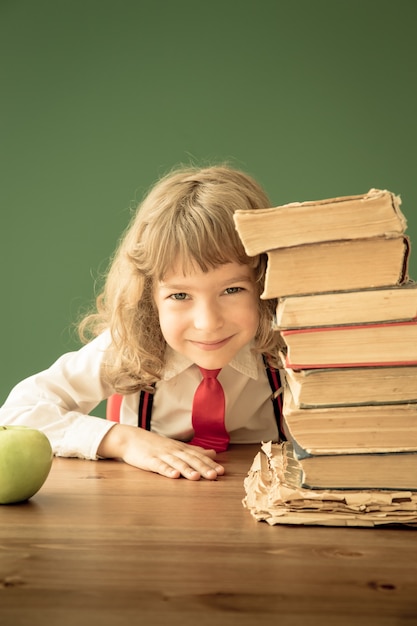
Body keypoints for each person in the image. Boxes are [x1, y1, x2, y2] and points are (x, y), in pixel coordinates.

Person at [0, 164, 283, 480]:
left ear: (264, 281)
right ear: (149, 294)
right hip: (143, 510)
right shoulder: (129, 343)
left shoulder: (291, 343)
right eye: (179, 296)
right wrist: (122, 440)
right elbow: (17, 413)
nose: (207, 322)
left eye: (232, 289)